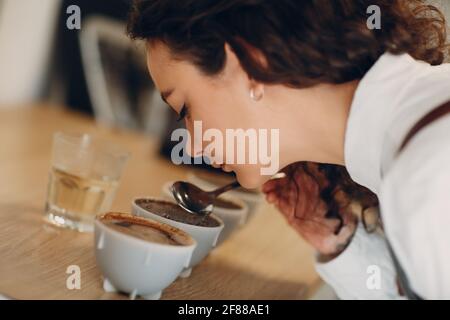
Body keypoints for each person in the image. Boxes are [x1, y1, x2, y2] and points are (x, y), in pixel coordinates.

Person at [126, 0, 450, 299]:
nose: (193, 145)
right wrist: (336, 237)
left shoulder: (428, 179)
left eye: (185, 109)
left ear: (248, 63)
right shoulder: (412, 140)